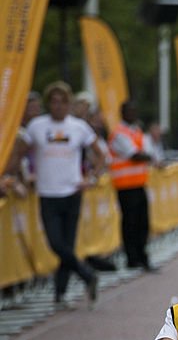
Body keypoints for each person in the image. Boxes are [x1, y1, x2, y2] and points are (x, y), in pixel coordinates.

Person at [7, 81, 105, 306]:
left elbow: (100, 154)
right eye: (54, 102)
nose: (58, 106)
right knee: (55, 244)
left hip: (72, 193)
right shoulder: (37, 126)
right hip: (48, 194)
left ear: (69, 104)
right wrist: (8, 175)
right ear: (48, 104)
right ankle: (87, 275)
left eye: (62, 102)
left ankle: (59, 294)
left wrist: (91, 178)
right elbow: (18, 155)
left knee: (67, 246)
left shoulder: (78, 127)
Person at [109, 100, 156, 271]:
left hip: (139, 183)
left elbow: (148, 152)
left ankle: (141, 256)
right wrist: (146, 155)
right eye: (129, 111)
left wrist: (146, 155)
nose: (133, 114)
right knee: (130, 223)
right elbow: (135, 155)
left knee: (143, 222)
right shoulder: (119, 133)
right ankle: (132, 258)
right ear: (122, 113)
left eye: (134, 111)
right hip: (125, 186)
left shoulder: (136, 131)